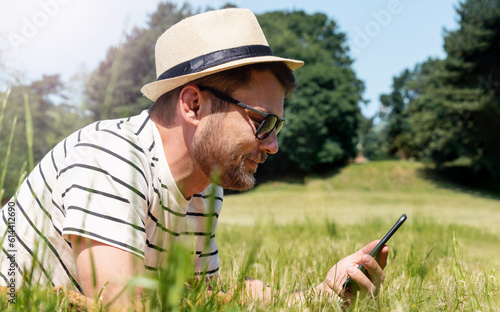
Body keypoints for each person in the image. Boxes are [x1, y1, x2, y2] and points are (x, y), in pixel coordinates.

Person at [0, 8, 388, 308]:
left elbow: (200, 298)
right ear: (194, 103)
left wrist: (320, 296)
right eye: (261, 121)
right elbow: (120, 306)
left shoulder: (204, 190)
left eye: (277, 127)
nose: (272, 146)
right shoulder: (109, 158)